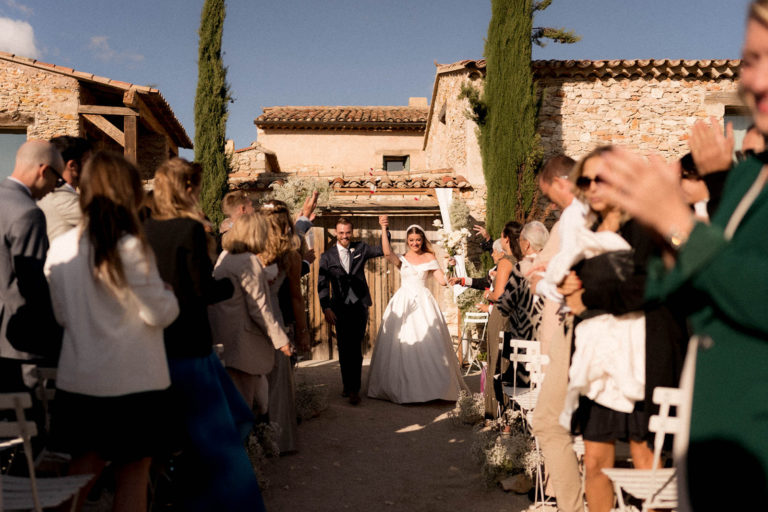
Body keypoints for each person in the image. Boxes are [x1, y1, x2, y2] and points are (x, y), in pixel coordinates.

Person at [595, 5, 768, 509]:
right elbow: (712, 287)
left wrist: (679, 221)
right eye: (747, 60)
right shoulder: (750, 180)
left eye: (765, 58)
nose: (749, 80)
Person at [44, 151, 179, 512]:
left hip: (80, 380)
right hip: (136, 382)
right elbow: (158, 314)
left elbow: (61, 315)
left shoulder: (60, 248)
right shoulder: (132, 246)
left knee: (79, 476)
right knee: (133, 475)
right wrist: (168, 295)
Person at [143, 157, 265, 512]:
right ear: (188, 188)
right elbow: (201, 290)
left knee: (198, 429)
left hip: (160, 343)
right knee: (226, 430)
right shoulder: (189, 229)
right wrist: (229, 284)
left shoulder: (145, 228)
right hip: (193, 346)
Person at [527, 154, 585, 512]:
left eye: (550, 193)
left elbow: (566, 277)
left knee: (548, 420)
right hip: (575, 320)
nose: (550, 203)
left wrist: (544, 277)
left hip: (575, 321)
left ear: (562, 182)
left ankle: (570, 505)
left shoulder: (578, 216)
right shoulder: (585, 213)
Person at [367, 217, 468, 404]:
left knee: (428, 343)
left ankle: (434, 389)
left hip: (424, 302)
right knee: (404, 342)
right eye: (411, 240)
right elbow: (387, 253)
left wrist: (451, 268)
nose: (415, 243)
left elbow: (443, 281)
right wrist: (383, 228)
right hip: (403, 303)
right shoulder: (402, 259)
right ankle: (404, 390)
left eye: (418, 240)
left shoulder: (430, 258)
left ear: (423, 240)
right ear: (407, 241)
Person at [209, 213, 292, 416]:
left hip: (225, 341)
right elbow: (259, 307)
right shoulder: (248, 261)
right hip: (242, 346)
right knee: (248, 410)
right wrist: (281, 340)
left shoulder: (226, 256)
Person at [0, 140, 63, 391]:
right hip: (22, 343)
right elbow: (33, 286)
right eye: (57, 182)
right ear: (44, 171)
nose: (53, 189)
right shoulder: (28, 213)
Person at [317, 216, 386, 405]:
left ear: (352, 232)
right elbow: (322, 285)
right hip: (338, 307)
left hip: (359, 305)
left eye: (348, 232)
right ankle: (347, 386)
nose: (345, 236)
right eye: (341, 233)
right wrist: (326, 308)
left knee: (355, 347)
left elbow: (381, 250)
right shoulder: (327, 256)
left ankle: (355, 389)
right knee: (344, 348)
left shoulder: (361, 248)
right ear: (335, 233)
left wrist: (383, 229)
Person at [260, 199, 307, 453]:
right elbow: (296, 297)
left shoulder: (249, 252)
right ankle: (278, 440)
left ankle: (254, 441)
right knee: (278, 382)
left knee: (254, 382)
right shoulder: (291, 256)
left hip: (252, 320)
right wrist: (303, 333)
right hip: (276, 320)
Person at [38, 135, 92, 241]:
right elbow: (111, 226)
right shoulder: (64, 199)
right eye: (88, 161)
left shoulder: (47, 194)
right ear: (72, 165)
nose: (92, 167)